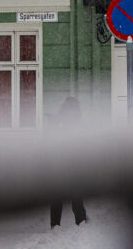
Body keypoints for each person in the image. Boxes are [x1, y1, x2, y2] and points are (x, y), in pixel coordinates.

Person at [49, 96, 88, 229]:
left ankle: (55, 224)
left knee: (57, 195)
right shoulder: (79, 122)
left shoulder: (60, 121)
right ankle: (81, 221)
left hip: (61, 163)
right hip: (73, 163)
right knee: (76, 194)